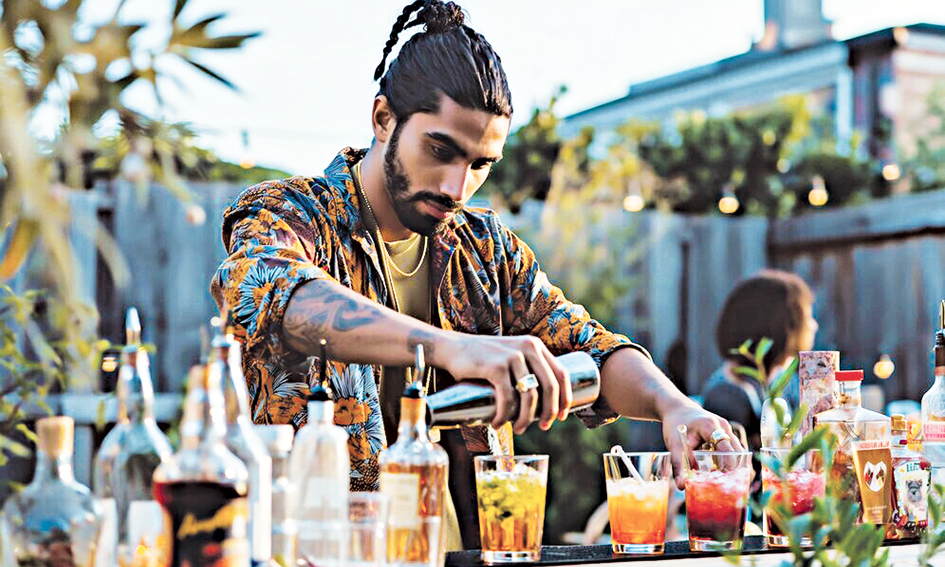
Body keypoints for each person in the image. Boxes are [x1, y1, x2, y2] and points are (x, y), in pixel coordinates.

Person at [211, 0, 741, 549]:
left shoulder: (485, 249)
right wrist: (451, 348)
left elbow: (591, 348)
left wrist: (674, 406)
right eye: (440, 150)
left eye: (480, 165)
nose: (456, 187)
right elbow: (273, 294)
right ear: (383, 119)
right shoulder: (290, 213)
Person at [702, 270, 819, 452]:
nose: (814, 325)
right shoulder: (728, 397)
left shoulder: (784, 381)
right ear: (783, 325)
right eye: (807, 317)